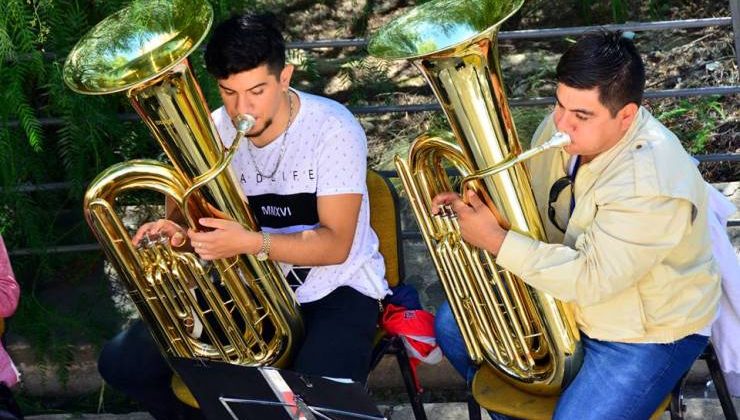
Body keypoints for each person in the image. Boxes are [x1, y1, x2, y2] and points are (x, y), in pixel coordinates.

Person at [98, 12, 389, 419]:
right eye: (228, 92)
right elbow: (190, 225)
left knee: (317, 406)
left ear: (284, 76)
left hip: (336, 290)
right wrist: (177, 237)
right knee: (122, 363)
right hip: (249, 287)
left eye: (256, 91)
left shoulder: (333, 129)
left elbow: (337, 245)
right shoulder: (213, 131)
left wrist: (251, 242)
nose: (241, 109)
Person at [432, 30, 720, 419]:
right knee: (453, 324)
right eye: (559, 104)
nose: (562, 123)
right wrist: (478, 207)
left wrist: (497, 241)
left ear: (626, 116)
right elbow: (530, 208)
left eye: (581, 115)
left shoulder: (649, 181)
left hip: (640, 334)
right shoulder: (562, 132)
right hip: (569, 304)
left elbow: (592, 280)